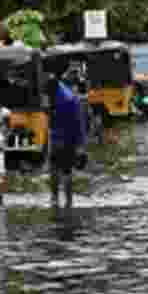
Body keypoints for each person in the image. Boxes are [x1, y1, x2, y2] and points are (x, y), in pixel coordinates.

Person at [48, 73, 88, 208]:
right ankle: (59, 200)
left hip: (66, 139)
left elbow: (78, 123)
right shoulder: (61, 95)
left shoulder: (67, 98)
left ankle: (65, 200)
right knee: (57, 169)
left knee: (64, 171)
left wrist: (80, 146)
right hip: (57, 138)